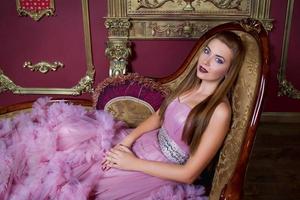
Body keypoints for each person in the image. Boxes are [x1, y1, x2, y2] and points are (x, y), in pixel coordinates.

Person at [0, 31, 245, 200]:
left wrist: (131, 163)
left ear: (228, 70)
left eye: (218, 59)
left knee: (83, 185)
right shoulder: (190, 85)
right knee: (70, 140)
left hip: (159, 170)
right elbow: (158, 118)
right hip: (142, 143)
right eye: (207, 51)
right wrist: (126, 141)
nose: (206, 61)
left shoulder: (219, 111)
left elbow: (190, 173)